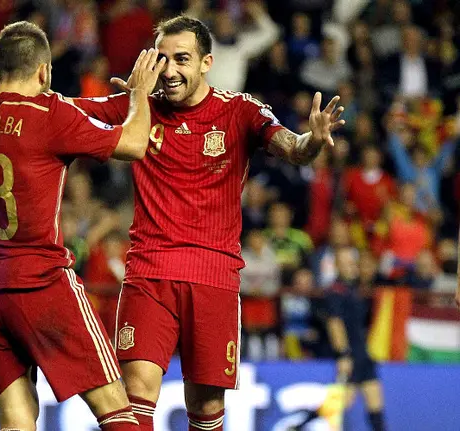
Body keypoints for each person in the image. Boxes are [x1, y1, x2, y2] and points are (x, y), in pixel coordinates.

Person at [68, 16, 345, 431]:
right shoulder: (139, 105)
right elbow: (58, 113)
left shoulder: (239, 111)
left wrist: (312, 140)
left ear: (206, 62)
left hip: (213, 278)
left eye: (182, 59)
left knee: (206, 407)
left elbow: (292, 147)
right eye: (163, 59)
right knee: (135, 392)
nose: (172, 70)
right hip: (150, 273)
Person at [0, 22, 165, 431]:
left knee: (17, 420)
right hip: (41, 284)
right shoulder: (49, 114)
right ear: (44, 72)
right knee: (116, 407)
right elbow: (134, 144)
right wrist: (139, 92)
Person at [323, 247, 386, 431]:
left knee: (376, 410)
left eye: (352, 263)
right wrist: (343, 354)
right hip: (350, 356)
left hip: (363, 355)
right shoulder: (335, 291)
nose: (351, 267)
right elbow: (335, 324)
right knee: (338, 408)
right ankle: (299, 425)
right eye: (346, 263)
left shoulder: (356, 289)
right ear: (337, 266)